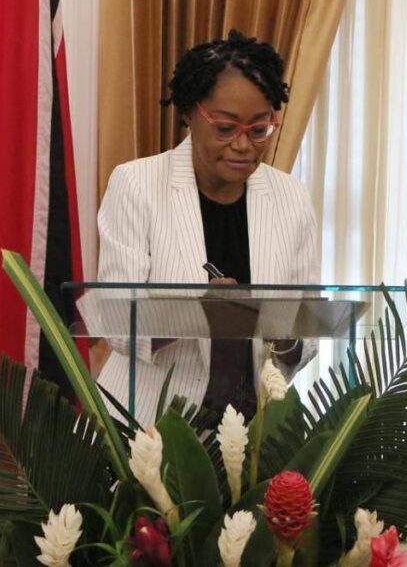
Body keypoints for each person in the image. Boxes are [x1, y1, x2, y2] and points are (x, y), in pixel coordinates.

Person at [96, 30, 319, 426]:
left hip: (252, 427)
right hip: (150, 423)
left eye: (259, 129)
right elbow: (116, 321)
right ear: (189, 113)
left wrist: (278, 330)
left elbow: (308, 333)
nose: (243, 145)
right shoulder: (137, 185)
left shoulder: (291, 198)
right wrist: (200, 312)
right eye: (226, 127)